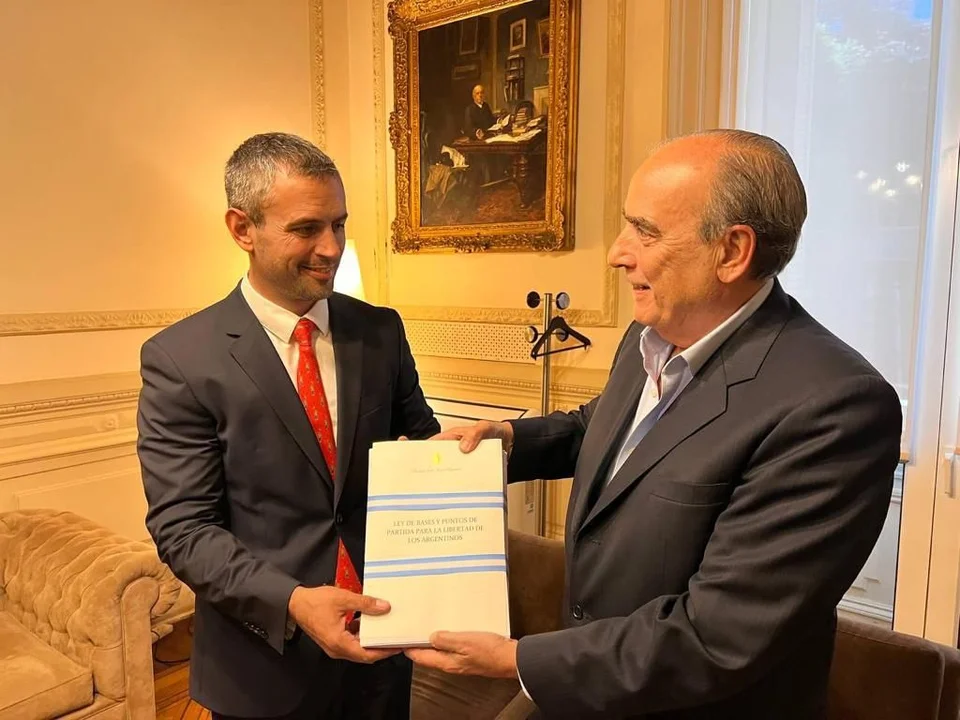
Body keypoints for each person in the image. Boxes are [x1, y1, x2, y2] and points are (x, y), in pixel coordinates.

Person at [406, 129, 903, 719]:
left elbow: (716, 635)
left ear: (732, 251)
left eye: (645, 232)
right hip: (588, 685)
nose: (617, 253)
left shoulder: (835, 407)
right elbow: (610, 432)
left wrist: (517, 660)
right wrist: (511, 440)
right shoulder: (650, 335)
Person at [137, 132, 440, 720]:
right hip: (263, 666)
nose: (332, 248)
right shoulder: (182, 359)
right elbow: (185, 529)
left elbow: (422, 450)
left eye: (339, 225)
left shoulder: (379, 330)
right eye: (306, 229)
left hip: (384, 645)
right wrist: (295, 603)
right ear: (242, 229)